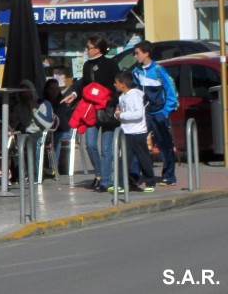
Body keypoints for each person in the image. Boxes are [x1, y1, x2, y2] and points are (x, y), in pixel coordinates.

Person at [61, 35, 119, 191]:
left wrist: (116, 103)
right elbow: (83, 84)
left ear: (97, 49)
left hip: (107, 108)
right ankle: (99, 174)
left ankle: (106, 181)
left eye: (89, 47)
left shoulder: (111, 64)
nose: (86, 50)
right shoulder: (87, 65)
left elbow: (118, 85)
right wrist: (73, 94)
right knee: (90, 144)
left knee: (106, 148)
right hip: (90, 109)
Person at [132, 40, 179, 186]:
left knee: (164, 144)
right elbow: (136, 92)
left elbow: (171, 91)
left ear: (146, 53)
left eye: (137, 53)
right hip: (144, 112)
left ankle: (169, 176)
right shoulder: (136, 71)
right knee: (138, 142)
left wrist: (165, 111)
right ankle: (135, 175)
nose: (135, 56)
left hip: (159, 112)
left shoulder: (159, 70)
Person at [113, 71, 157, 193]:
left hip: (137, 132)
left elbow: (138, 114)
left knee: (143, 158)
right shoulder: (122, 97)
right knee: (124, 159)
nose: (114, 85)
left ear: (123, 84)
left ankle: (150, 182)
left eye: (116, 82)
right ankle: (121, 184)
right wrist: (118, 114)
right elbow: (118, 112)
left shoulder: (135, 95)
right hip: (125, 132)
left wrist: (121, 115)